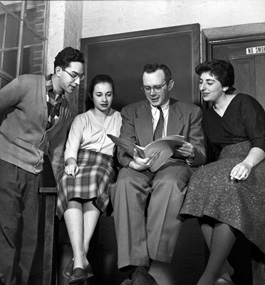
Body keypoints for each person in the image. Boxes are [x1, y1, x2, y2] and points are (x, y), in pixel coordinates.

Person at [111, 63, 206, 285]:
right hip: (141, 167)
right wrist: (132, 163)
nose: (152, 93)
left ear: (170, 85)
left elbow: (202, 154)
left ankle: (151, 263)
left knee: (169, 182)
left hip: (173, 165)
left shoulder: (192, 112)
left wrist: (192, 152)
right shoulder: (130, 112)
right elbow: (123, 149)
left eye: (157, 87)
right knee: (124, 182)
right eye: (147, 88)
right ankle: (138, 268)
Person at [0, 46, 84, 285]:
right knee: (6, 234)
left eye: (81, 77)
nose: (77, 82)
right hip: (6, 163)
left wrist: (60, 185)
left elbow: (56, 150)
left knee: (29, 238)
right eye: (74, 75)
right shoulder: (25, 84)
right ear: (58, 70)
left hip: (34, 172)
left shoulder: (67, 109)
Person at [180, 59, 265, 285]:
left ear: (225, 85)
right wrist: (190, 153)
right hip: (225, 163)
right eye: (201, 82)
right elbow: (211, 155)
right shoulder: (207, 116)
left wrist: (247, 164)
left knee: (229, 186)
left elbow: (261, 141)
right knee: (199, 180)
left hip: (254, 160)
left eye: (210, 82)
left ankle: (209, 277)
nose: (203, 87)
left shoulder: (244, 102)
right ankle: (224, 268)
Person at [56, 74, 122, 284]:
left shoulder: (120, 118)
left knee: (96, 179)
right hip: (81, 161)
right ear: (92, 96)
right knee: (68, 181)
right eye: (99, 94)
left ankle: (78, 259)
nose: (104, 99)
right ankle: (81, 262)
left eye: (108, 94)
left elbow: (124, 149)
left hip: (104, 164)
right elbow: (71, 148)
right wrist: (71, 163)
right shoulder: (81, 119)